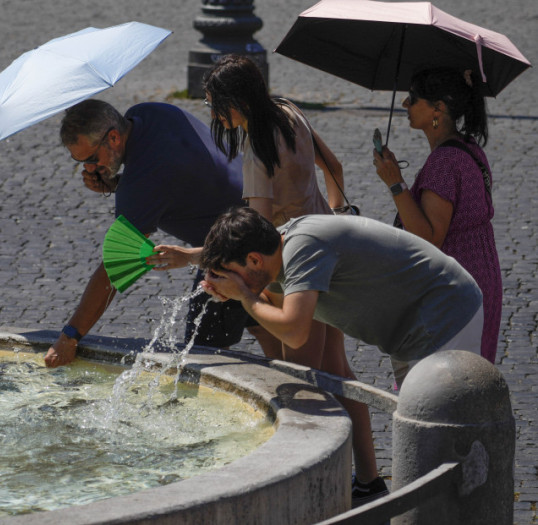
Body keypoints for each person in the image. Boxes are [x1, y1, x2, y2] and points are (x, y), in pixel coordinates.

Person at [149, 55, 383, 504]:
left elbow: (256, 240)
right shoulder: (289, 110)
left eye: (214, 102)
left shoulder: (257, 148)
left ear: (235, 101)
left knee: (299, 378)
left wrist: (191, 258)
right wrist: (333, 213)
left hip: (293, 265)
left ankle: (305, 483)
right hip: (326, 248)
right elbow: (332, 164)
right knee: (336, 371)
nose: (212, 111)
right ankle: (369, 478)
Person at [200, 207, 483, 506]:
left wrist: (245, 296)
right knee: (426, 439)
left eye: (233, 272)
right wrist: (192, 258)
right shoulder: (283, 243)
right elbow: (275, 303)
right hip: (415, 325)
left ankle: (466, 507)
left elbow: (294, 331)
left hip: (444, 314)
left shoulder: (305, 248)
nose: (232, 280)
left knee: (439, 441)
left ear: (254, 259)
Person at [43, 99, 245, 368]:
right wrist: (116, 182)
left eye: (92, 159)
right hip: (259, 209)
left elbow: (116, 268)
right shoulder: (147, 113)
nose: (88, 169)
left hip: (239, 243)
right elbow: (170, 172)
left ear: (113, 137)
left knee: (202, 360)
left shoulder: (142, 185)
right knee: (268, 327)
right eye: (80, 162)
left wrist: (69, 337)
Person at [373, 67, 501, 366]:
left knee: (442, 384)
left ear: (438, 109)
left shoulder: (444, 162)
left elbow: (429, 237)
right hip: (479, 276)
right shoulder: (467, 148)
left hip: (454, 287)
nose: (405, 104)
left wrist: (396, 183)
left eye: (414, 98)